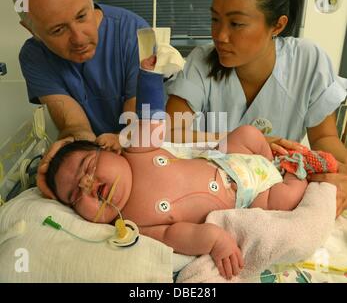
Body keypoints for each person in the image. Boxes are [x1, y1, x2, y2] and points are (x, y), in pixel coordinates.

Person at [42, 66, 318, 280]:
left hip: (226, 160)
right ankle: (295, 171)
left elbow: (150, 117)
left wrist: (149, 75)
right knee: (282, 200)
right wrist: (214, 240)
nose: (87, 184)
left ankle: (276, 161)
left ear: (110, 149)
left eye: (88, 167)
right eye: (75, 194)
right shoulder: (133, 222)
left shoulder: (137, 152)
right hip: (245, 196)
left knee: (248, 133)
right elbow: (172, 235)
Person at [164, 0, 347, 215]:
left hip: (273, 199)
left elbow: (325, 138)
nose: (219, 35)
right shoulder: (201, 62)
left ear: (277, 25)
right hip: (208, 193)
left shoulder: (307, 61)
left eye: (236, 24)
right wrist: (243, 143)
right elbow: (167, 133)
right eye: (215, 19)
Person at [12, 0, 149, 145]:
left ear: (91, 0)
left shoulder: (136, 33)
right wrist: (77, 148)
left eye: (81, 16)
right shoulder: (35, 56)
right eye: (58, 30)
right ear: (31, 30)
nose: (79, 39)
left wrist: (120, 141)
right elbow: (75, 126)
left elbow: (139, 125)